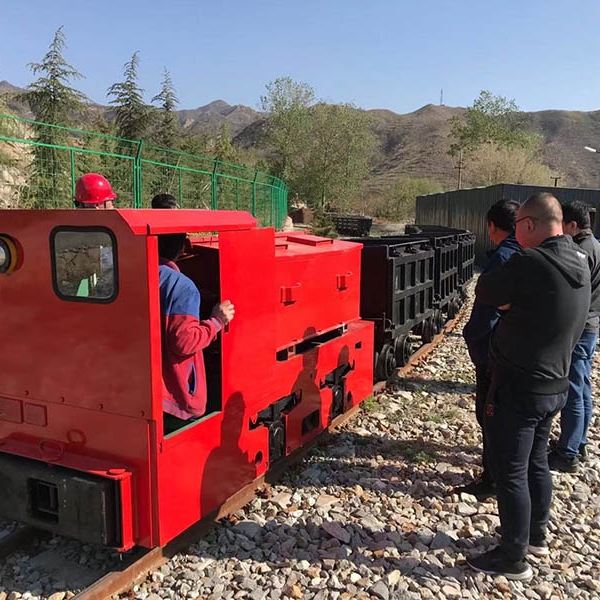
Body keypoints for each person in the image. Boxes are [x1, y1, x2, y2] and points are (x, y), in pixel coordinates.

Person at [467, 193, 590, 580]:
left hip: (520, 383)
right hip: (556, 381)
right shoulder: (580, 260)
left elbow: (486, 292)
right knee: (536, 461)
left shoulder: (529, 261)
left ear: (532, 224)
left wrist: (510, 306)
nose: (516, 233)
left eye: (519, 226)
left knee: (510, 469)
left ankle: (512, 556)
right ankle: (537, 535)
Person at [457, 200, 521, 499]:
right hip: (522, 353)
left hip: (494, 354)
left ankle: (492, 479)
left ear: (492, 227)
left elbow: (485, 314)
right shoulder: (530, 253)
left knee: (490, 414)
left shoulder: (503, 258)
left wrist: (471, 337)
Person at [158, 233, 235, 433]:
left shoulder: (132, 272)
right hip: (173, 396)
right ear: (183, 247)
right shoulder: (182, 286)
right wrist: (217, 321)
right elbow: (184, 342)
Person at [548, 201, 600, 472]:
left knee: (573, 390)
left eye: (563, 226)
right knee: (584, 387)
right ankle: (579, 442)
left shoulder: (580, 252)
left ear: (573, 225)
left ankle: (567, 452)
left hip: (579, 329)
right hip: (592, 325)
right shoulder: (598, 246)